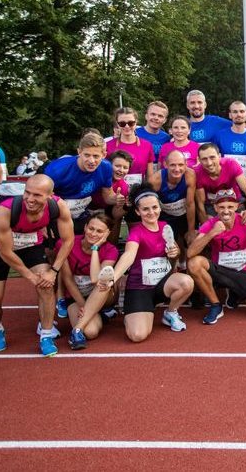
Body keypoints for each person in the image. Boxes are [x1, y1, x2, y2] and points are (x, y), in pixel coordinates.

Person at [0, 175, 74, 355]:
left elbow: (68, 241)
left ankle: (46, 334)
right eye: (27, 193)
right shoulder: (5, 210)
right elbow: (5, 252)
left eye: (37, 195)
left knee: (47, 286)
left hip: (31, 244)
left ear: (50, 195)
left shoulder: (58, 206)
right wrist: (31, 277)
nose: (30, 199)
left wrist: (53, 272)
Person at [103, 189, 194, 341]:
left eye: (154, 207)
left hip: (161, 286)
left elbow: (174, 255)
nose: (151, 212)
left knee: (186, 282)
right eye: (145, 209)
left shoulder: (166, 227)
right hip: (139, 288)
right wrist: (113, 278)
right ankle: (132, 313)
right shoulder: (136, 232)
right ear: (138, 212)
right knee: (137, 336)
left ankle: (170, 313)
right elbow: (129, 255)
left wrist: (175, 252)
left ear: (159, 207)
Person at [187, 190, 246, 323]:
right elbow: (190, 253)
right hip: (219, 271)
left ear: (237, 206)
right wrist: (212, 233)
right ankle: (216, 305)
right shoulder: (211, 224)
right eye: (221, 207)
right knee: (194, 263)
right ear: (215, 207)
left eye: (230, 207)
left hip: (242, 272)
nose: (226, 211)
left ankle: (237, 293)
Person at [58, 212, 119, 350]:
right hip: (76, 296)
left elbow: (95, 279)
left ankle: (76, 330)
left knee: (103, 283)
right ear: (85, 227)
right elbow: (67, 279)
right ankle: (95, 317)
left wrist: (96, 248)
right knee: (91, 332)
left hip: (101, 296)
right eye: (91, 228)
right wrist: (83, 305)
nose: (93, 234)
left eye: (99, 231)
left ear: (107, 233)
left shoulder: (111, 250)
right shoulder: (66, 244)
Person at [43, 132, 116, 235]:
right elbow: (40, 198)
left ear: (103, 155)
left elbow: (108, 196)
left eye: (96, 156)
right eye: (87, 155)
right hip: (55, 215)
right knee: (53, 248)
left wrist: (118, 199)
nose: (91, 161)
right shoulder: (57, 170)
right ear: (79, 152)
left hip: (81, 214)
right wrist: (42, 223)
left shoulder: (106, 167)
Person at [146, 149, 196, 251]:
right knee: (167, 243)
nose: (177, 169)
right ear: (165, 164)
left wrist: (191, 231)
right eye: (173, 165)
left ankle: (183, 264)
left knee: (189, 239)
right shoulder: (155, 180)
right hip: (164, 214)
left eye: (181, 165)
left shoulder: (190, 175)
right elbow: (150, 206)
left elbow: (190, 204)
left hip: (183, 212)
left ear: (186, 164)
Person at [194, 143, 246, 224]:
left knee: (245, 220)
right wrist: (206, 228)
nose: (209, 163)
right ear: (199, 160)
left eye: (212, 157)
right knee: (212, 224)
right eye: (204, 159)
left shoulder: (230, 164)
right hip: (212, 205)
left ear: (219, 156)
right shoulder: (197, 173)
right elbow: (200, 205)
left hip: (235, 201)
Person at [105, 107, 156, 188]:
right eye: (122, 123)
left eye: (131, 123)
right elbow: (104, 174)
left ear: (136, 123)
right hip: (115, 192)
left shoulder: (147, 146)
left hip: (138, 192)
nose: (127, 126)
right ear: (117, 124)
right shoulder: (107, 146)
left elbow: (149, 177)